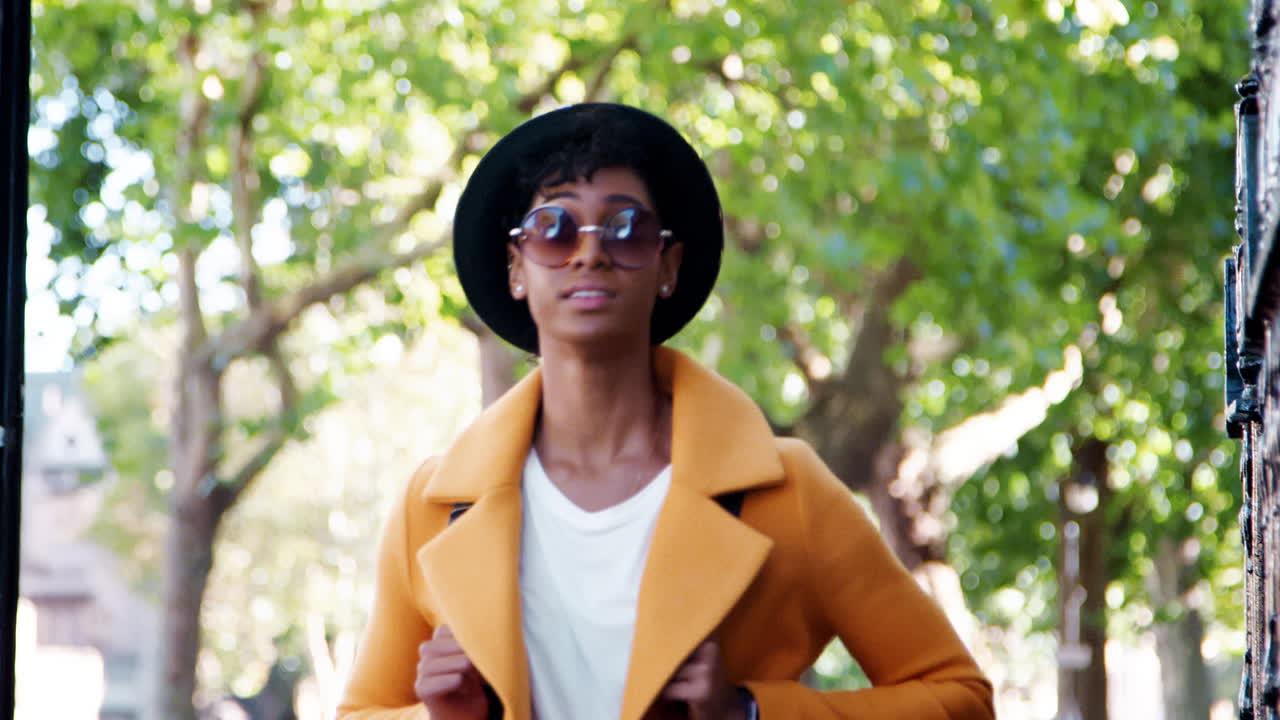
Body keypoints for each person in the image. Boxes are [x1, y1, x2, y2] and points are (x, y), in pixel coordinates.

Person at [337, 103, 994, 720]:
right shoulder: (431, 506)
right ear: (517, 268)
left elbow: (959, 697)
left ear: (667, 265)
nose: (589, 251)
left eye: (625, 227)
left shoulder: (787, 489)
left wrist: (749, 711)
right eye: (554, 228)